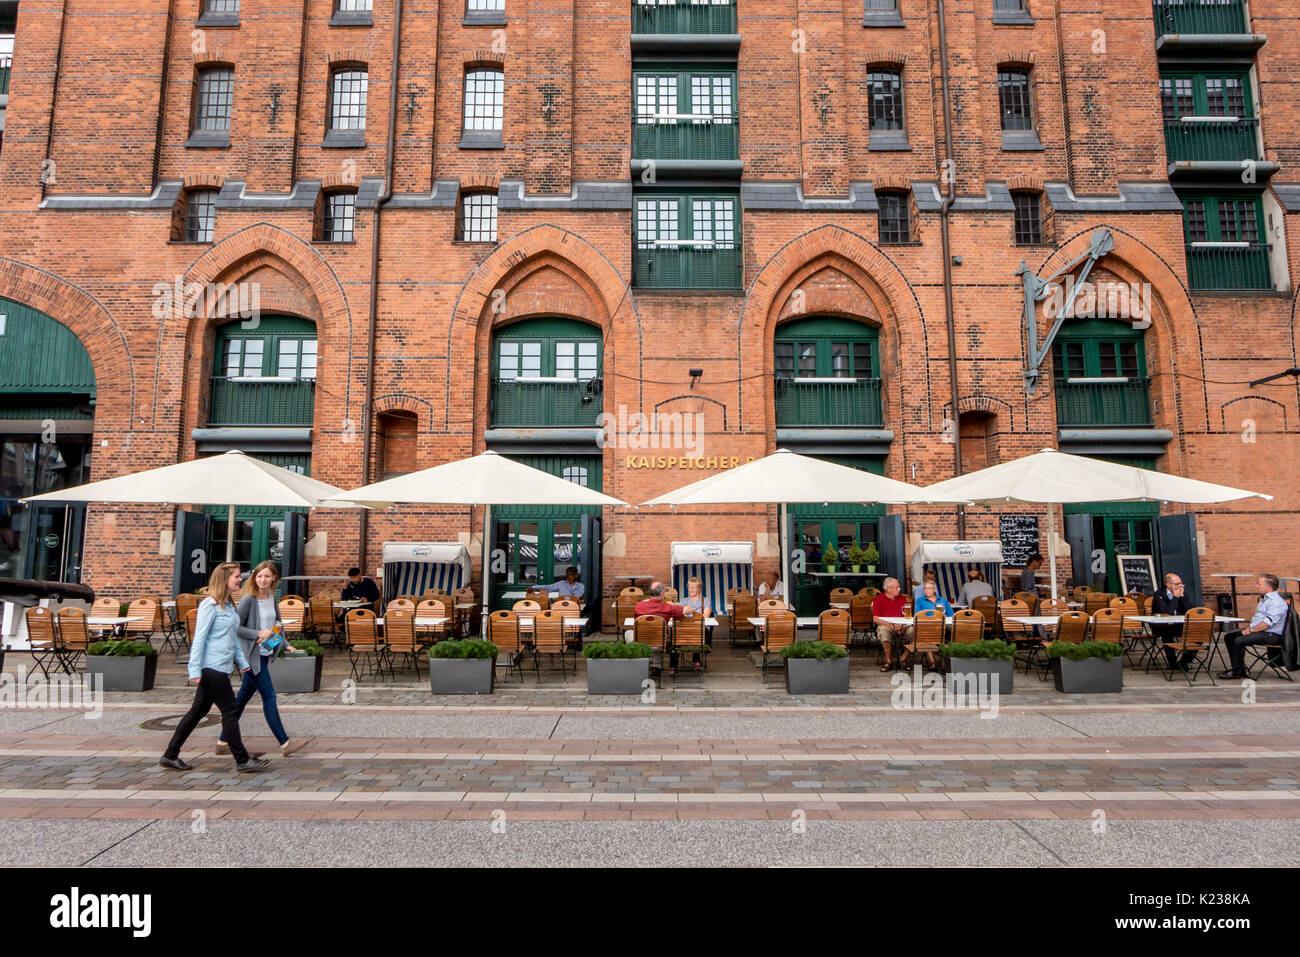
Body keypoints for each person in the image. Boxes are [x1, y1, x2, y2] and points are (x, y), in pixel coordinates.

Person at [160, 563, 269, 773]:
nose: (240, 580)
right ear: (224, 579)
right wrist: (194, 670)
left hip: (222, 666)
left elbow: (233, 639)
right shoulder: (209, 606)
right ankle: (242, 759)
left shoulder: (228, 606)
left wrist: (243, 662)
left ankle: (170, 754)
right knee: (230, 710)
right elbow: (199, 639)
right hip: (211, 668)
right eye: (237, 577)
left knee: (197, 712)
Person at [215, 560, 308, 759]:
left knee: (241, 700)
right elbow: (236, 627)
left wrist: (284, 643)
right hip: (251, 657)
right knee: (270, 697)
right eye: (259, 576)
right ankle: (285, 743)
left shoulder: (272, 597)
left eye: (266, 576)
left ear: (274, 577)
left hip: (264, 654)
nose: (262, 580)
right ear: (254, 578)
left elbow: (277, 625)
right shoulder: (249, 599)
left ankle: (223, 742)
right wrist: (257, 633)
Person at [1219, 574, 1288, 679]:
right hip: (1261, 631)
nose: (1256, 586)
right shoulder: (1264, 599)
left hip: (1272, 635)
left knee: (1239, 640)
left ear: (1268, 587)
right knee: (1229, 637)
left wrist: (1250, 630)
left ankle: (1237, 671)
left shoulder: (1276, 602)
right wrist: (1249, 628)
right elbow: (1258, 619)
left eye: (1259, 584)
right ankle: (1240, 668)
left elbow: (1267, 623)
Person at [635, 581, 690, 675]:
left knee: (629, 633)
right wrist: (674, 605)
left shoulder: (639, 606)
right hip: (659, 644)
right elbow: (689, 609)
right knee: (660, 636)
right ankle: (656, 666)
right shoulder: (668, 607)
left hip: (641, 643)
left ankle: (638, 663)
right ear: (662, 593)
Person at [1150, 572, 1193, 670]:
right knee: (1167, 632)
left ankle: (1185, 661)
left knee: (1197, 631)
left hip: (1178, 625)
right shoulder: (1159, 594)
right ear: (1168, 585)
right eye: (1177, 584)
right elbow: (1166, 612)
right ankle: (1172, 662)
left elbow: (1189, 610)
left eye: (1181, 583)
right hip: (1161, 626)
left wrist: (1182, 598)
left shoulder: (1182, 593)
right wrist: (1175, 598)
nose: (1180, 586)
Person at [871, 577, 909, 672]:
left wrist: (904, 625)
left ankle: (902, 659)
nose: (899, 589)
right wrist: (891, 626)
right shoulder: (879, 599)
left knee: (917, 632)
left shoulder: (903, 599)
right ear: (888, 589)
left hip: (902, 625)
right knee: (883, 630)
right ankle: (889, 661)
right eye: (897, 587)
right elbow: (875, 619)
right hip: (887, 626)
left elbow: (908, 616)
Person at [682, 575, 715, 654]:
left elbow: (705, 616)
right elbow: (681, 616)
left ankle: (697, 662)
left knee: (697, 632)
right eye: (689, 587)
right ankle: (674, 664)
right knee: (675, 633)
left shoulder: (706, 601)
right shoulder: (683, 601)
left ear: (699, 589)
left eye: (693, 587)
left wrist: (689, 613)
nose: (690, 590)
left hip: (701, 628)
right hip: (687, 628)